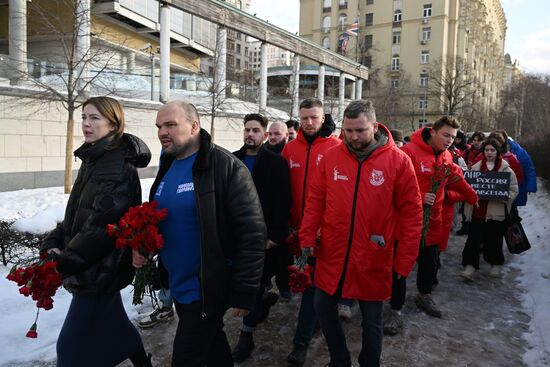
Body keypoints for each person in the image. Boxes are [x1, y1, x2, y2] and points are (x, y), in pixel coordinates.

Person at [133, 101, 267, 366]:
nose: (162, 132)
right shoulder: (168, 165)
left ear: (194, 126)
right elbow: (163, 219)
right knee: (214, 346)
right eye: (159, 126)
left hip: (206, 289)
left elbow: (252, 233)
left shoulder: (226, 167)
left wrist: (245, 290)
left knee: (186, 357)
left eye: (170, 124)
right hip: (179, 286)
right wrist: (144, 245)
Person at [299, 100, 423, 367]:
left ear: (375, 127)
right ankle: (339, 359)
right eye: (348, 130)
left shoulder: (398, 161)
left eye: (361, 130)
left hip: (373, 254)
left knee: (371, 320)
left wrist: (404, 259)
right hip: (333, 250)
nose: (354, 137)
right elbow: (315, 200)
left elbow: (412, 214)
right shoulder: (332, 156)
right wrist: (306, 237)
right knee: (322, 307)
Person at [41, 96, 153, 367]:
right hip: (97, 267)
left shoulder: (113, 166)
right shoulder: (96, 158)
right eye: (84, 117)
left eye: (95, 118)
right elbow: (79, 212)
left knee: (69, 351)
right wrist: (55, 238)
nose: (86, 124)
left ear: (113, 125)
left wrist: (64, 260)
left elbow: (101, 227)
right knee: (118, 326)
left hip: (100, 270)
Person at [282, 98, 340, 366]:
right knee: (306, 285)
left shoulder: (336, 147)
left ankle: (300, 344)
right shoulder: (290, 149)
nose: (308, 122)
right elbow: (282, 189)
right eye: (304, 117)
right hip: (295, 232)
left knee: (311, 289)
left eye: (314, 117)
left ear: (322, 117)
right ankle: (316, 320)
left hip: (322, 234)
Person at [231, 113, 291, 362]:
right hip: (238, 236)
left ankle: (246, 335)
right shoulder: (233, 160)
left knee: (255, 285)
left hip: (265, 238)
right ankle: (263, 303)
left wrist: (276, 236)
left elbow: (283, 201)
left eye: (255, 130)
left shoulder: (275, 163)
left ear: (265, 135)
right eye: (247, 130)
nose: (250, 134)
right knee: (249, 285)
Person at [401, 116, 465, 318]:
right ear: (433, 131)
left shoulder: (447, 156)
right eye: (446, 135)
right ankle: (395, 305)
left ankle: (424, 294)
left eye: (453, 137)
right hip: (408, 221)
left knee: (430, 260)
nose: (449, 140)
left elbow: (455, 184)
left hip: (434, 221)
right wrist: (420, 197)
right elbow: (395, 187)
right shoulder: (408, 152)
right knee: (402, 263)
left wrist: (460, 194)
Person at [460, 138, 518, 280]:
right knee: (473, 240)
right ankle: (470, 266)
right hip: (478, 211)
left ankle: (495, 263)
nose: (489, 153)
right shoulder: (475, 168)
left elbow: (514, 190)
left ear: (498, 152)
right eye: (487, 150)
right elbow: (468, 188)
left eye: (492, 150)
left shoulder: (507, 170)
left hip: (496, 213)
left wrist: (505, 196)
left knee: (494, 240)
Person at [494, 129, 537, 206]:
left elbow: (529, 168)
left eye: (499, 139)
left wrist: (531, 185)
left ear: (505, 140)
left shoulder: (519, 152)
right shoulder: (488, 151)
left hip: (514, 188)